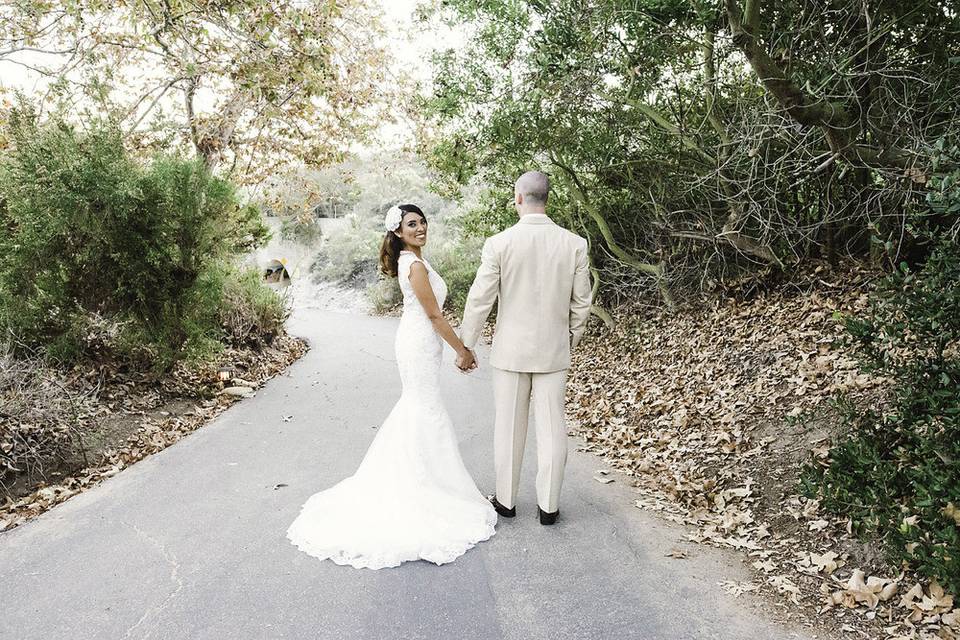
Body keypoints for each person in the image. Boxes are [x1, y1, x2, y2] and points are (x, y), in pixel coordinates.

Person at [286, 203, 496, 569]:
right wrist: (461, 350)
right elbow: (433, 315)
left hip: (418, 342)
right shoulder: (413, 265)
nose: (420, 228)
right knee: (424, 409)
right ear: (398, 232)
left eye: (422, 221)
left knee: (419, 407)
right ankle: (422, 490)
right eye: (411, 224)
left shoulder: (413, 261)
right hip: (417, 342)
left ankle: (427, 481)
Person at [459, 171, 593, 525]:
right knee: (553, 427)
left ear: (519, 198)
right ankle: (549, 507)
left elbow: (479, 299)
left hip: (511, 353)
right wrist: (570, 339)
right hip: (553, 352)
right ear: (547, 199)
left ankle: (506, 501)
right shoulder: (574, 243)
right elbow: (581, 304)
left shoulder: (499, 243)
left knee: (509, 427)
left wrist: (466, 345)